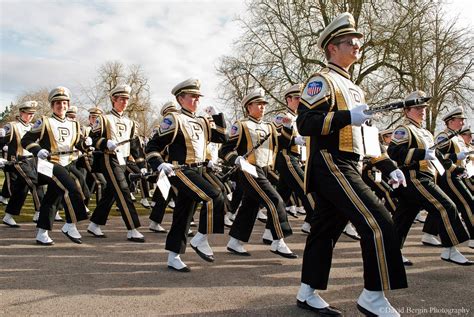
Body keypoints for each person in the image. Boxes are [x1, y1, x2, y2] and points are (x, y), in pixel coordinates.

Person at [296, 12, 407, 316]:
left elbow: (367, 137)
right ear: (332, 47)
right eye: (350, 42)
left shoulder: (355, 88)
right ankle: (373, 296)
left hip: (351, 163)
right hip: (330, 162)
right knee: (379, 221)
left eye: (359, 41)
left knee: (325, 230)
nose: (358, 45)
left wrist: (387, 165)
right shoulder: (322, 81)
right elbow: (305, 122)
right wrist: (347, 117)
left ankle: (306, 291)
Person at [146, 78, 227, 272]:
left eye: (198, 97)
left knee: (183, 214)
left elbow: (222, 137)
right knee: (214, 195)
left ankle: (173, 256)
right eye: (192, 97)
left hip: (198, 169)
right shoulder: (173, 119)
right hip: (180, 170)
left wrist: (217, 117)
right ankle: (200, 239)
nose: (197, 100)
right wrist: (159, 164)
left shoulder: (201, 121)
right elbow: (152, 146)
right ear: (180, 99)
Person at [388, 92, 472, 265]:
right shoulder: (404, 130)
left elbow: (437, 156)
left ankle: (391, 253)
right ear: (407, 111)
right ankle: (449, 250)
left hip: (426, 178)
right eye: (418, 108)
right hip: (415, 177)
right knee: (447, 206)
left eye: (424, 108)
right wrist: (421, 154)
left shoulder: (425, 132)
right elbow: (394, 152)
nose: (423, 111)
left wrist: (455, 169)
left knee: (403, 219)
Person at [219, 88, 297, 259]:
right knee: (275, 200)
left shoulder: (269, 126)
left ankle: (235, 241)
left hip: (266, 169)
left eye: (263, 104)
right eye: (258, 104)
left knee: (250, 205)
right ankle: (279, 241)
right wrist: (236, 159)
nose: (262, 107)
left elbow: (282, 143)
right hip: (250, 169)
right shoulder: (241, 125)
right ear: (248, 107)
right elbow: (224, 150)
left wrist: (288, 127)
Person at [21, 86, 89, 245]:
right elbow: (26, 140)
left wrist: (86, 144)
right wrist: (38, 150)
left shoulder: (75, 124)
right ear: (52, 105)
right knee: (72, 188)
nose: (62, 106)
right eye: (58, 103)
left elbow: (76, 144)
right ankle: (70, 225)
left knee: (53, 197)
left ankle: (42, 232)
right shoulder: (44, 122)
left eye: (65, 103)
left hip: (67, 163)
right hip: (48, 164)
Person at [87, 84, 147, 242]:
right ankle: (132, 228)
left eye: (127, 99)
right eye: (122, 99)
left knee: (111, 193)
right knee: (123, 190)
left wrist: (142, 166)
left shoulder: (130, 122)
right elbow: (92, 138)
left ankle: (94, 224)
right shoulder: (104, 119)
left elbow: (135, 146)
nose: (125, 102)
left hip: (124, 159)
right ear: (114, 100)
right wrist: (105, 142)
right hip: (109, 158)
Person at [272, 83, 316, 235]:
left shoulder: (301, 118)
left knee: (281, 197)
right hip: (286, 156)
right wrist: (294, 139)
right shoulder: (282, 117)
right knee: (307, 188)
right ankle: (315, 221)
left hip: (297, 158)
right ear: (288, 100)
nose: (300, 101)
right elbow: (278, 139)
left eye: (301, 98)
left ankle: (270, 232)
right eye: (297, 98)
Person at [434, 107, 473, 249]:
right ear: (450, 121)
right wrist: (455, 161)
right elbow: (437, 156)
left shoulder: (457, 137)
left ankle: (430, 233)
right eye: (460, 120)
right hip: (450, 176)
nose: (463, 122)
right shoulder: (444, 136)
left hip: (458, 174)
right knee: (469, 203)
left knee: (452, 206)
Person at [0, 101, 43, 227]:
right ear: (21, 113)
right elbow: (1, 142)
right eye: (28, 113)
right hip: (19, 160)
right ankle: (39, 212)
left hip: (32, 160)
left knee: (21, 189)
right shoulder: (12, 126)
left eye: (32, 114)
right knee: (35, 183)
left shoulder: (32, 127)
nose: (30, 116)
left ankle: (8, 216)